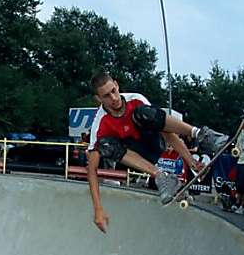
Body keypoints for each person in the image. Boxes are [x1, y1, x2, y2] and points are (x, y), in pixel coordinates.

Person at [87, 72, 229, 232]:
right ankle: (162, 177)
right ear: (98, 99)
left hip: (155, 142)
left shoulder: (135, 99)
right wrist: (98, 209)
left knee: (143, 113)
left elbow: (166, 131)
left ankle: (202, 134)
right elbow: (91, 169)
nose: (113, 98)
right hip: (137, 157)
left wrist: (191, 161)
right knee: (104, 144)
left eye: (113, 91)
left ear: (117, 85)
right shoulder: (100, 123)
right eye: (106, 96)